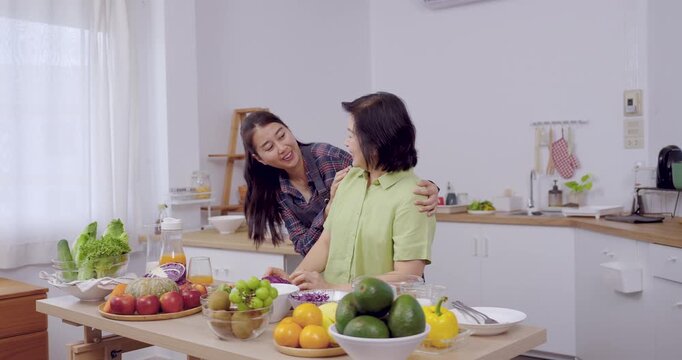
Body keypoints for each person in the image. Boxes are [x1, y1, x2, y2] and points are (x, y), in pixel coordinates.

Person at [268, 91, 436, 289]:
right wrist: (292, 281)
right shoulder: (348, 179)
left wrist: (331, 288)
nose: (346, 142)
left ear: (376, 142)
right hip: (333, 311)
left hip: (380, 316)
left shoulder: (415, 197)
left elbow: (407, 277)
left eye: (351, 135)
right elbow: (326, 242)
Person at [240, 111, 439, 256]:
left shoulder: (327, 157)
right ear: (260, 159)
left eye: (282, 135)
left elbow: (381, 174)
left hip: (376, 261)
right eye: (269, 147)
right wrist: (327, 211)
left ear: (289, 130)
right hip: (334, 272)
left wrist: (428, 186)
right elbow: (304, 247)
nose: (282, 147)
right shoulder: (277, 191)